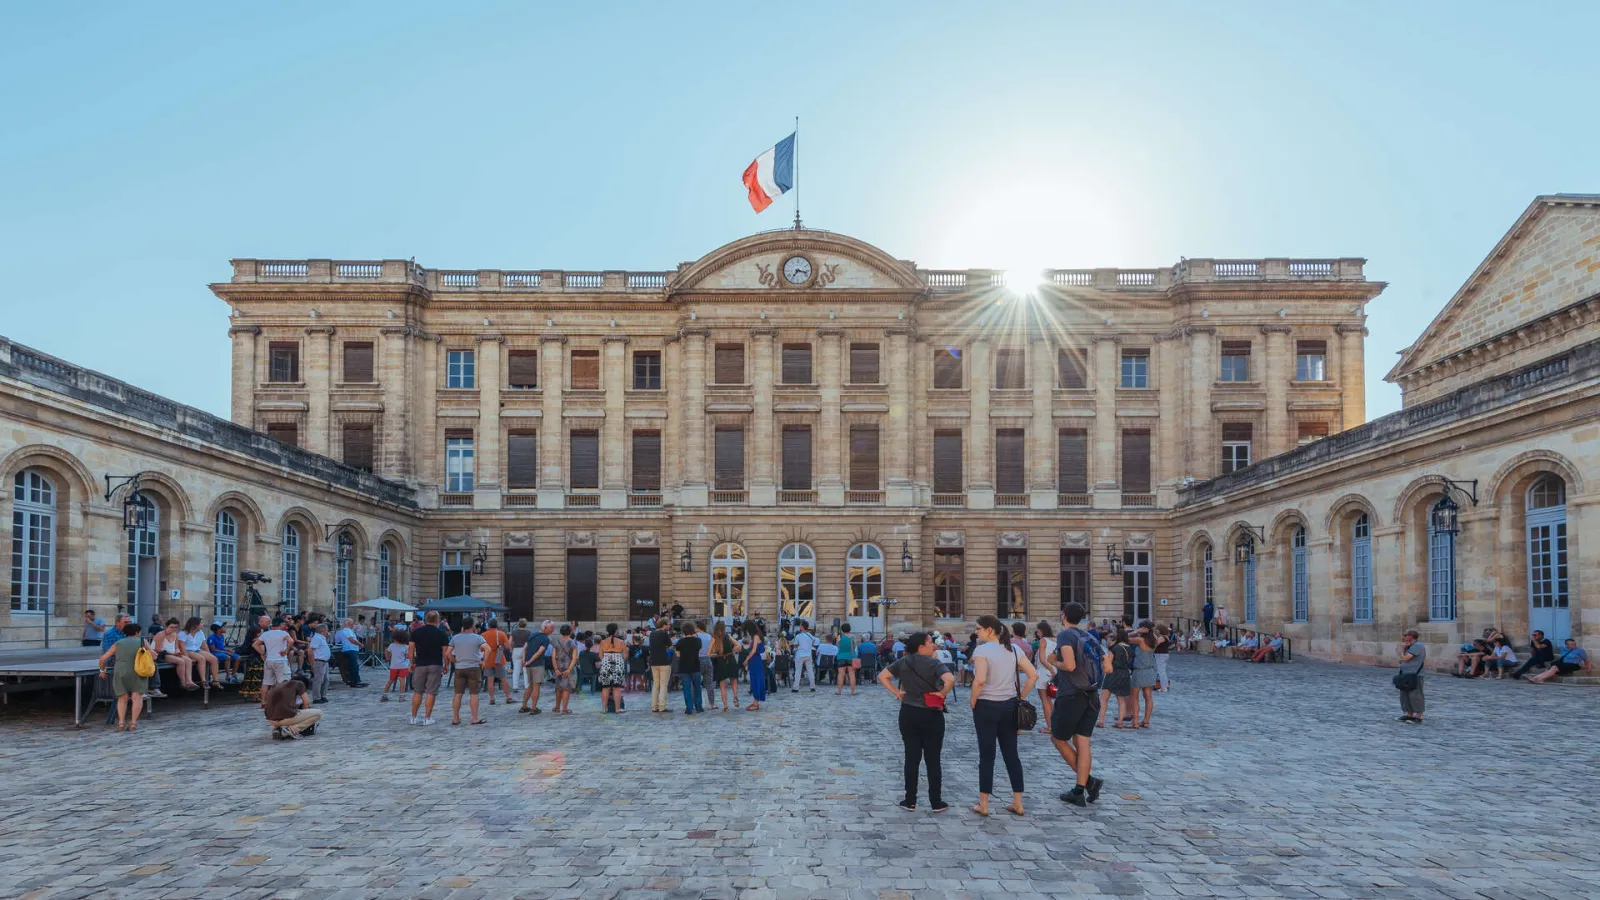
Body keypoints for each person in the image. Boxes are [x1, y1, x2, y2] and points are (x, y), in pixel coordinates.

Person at [968, 614, 1037, 818]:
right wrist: (1021, 697)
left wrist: (973, 699)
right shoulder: (1014, 649)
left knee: (987, 755)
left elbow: (979, 680)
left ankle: (984, 803)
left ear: (990, 630)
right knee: (1011, 754)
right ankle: (1017, 801)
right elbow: (1033, 675)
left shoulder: (982, 650)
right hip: (1010, 706)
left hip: (987, 705)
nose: (976, 631)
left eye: (978, 628)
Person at [878, 631, 954, 813]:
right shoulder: (934, 663)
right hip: (931, 714)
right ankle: (936, 801)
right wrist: (942, 693)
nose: (933, 645)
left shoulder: (904, 662)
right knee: (933, 759)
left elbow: (883, 676)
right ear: (921, 646)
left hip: (909, 712)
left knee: (911, 757)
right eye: (930, 643)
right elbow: (950, 679)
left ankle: (910, 800)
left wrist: (897, 693)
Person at [1052, 602, 1108, 808]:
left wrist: (1053, 661)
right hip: (1092, 695)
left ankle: (1087, 783)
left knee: (1058, 738)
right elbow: (1107, 664)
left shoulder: (1066, 635)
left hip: (1072, 694)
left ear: (1064, 615)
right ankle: (1080, 787)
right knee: (1082, 742)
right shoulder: (1091, 636)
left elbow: (1069, 665)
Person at [98, 621, 147, 732]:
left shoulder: (118, 643)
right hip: (138, 671)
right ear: (137, 632)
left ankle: (121, 723)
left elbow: (103, 659)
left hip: (120, 671)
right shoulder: (142, 641)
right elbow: (153, 655)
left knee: (122, 698)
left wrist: (102, 670)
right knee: (137, 697)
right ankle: (133, 723)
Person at [408, 611, 449, 725]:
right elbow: (445, 652)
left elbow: (411, 649)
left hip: (420, 664)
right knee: (431, 692)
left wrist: (411, 662)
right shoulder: (441, 633)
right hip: (435, 664)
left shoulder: (416, 632)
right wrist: (447, 665)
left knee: (418, 691)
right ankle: (427, 717)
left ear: (426, 619)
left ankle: (413, 717)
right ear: (437, 620)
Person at [446, 618, 488, 726]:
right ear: (472, 626)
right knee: (474, 693)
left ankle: (455, 718)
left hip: (459, 667)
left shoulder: (455, 638)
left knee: (458, 693)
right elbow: (488, 649)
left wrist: (454, 662)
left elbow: (447, 653)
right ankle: (474, 718)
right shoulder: (478, 638)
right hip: (473, 667)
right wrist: (484, 662)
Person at [264, 673, 321, 740]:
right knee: (319, 713)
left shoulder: (277, 685)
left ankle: (277, 729)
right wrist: (304, 714)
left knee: (284, 711)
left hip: (271, 720)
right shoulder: (300, 684)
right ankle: (293, 729)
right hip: (286, 719)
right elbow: (306, 703)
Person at [254, 619, 296, 708]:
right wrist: (286, 650)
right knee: (283, 681)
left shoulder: (265, 634)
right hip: (280, 660)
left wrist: (262, 653)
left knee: (266, 682)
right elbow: (291, 641)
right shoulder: (283, 633)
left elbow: (255, 644)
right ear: (280, 624)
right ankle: (283, 700)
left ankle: (263, 701)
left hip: (269, 660)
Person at [1102, 629, 1134, 728]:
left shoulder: (1114, 648)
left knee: (1104, 699)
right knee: (1121, 700)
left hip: (1113, 673)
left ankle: (1101, 721)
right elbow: (1129, 661)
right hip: (1124, 673)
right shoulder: (1129, 648)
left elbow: (1109, 662)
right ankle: (1120, 721)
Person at [520, 620, 555, 715]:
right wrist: (529, 661)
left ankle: (524, 706)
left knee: (529, 686)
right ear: (545, 628)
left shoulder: (532, 635)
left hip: (528, 664)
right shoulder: (546, 639)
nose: (553, 630)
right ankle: (533, 708)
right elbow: (539, 652)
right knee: (536, 687)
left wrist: (524, 660)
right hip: (537, 664)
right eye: (551, 628)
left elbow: (524, 648)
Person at [1128, 621, 1158, 727]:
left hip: (1139, 670)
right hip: (1150, 670)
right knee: (1148, 696)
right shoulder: (1154, 640)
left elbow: (1123, 639)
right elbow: (1154, 636)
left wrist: (1135, 631)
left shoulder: (1140, 640)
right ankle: (1146, 720)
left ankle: (1135, 721)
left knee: (1134, 696)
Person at [709, 621, 742, 711]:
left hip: (721, 661)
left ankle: (726, 706)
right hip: (731, 659)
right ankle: (735, 696)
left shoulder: (714, 638)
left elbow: (709, 653)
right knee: (733, 681)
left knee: (722, 685)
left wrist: (715, 654)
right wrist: (732, 650)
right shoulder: (728, 636)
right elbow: (738, 645)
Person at [179, 617, 221, 688]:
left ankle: (215, 681)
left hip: (197, 649)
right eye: (201, 623)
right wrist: (186, 657)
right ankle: (203, 681)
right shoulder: (183, 633)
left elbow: (204, 645)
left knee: (214, 659)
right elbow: (182, 647)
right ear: (195, 625)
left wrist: (209, 654)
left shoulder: (200, 633)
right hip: (188, 650)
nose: (202, 625)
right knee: (201, 659)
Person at [597, 623, 628, 714]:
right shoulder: (621, 642)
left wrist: (607, 659)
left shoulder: (603, 642)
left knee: (605, 687)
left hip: (606, 661)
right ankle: (617, 709)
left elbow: (600, 655)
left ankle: (603, 709)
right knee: (616, 687)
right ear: (616, 631)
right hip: (618, 661)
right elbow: (625, 656)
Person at [481, 619, 514, 705]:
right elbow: (507, 646)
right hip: (499, 659)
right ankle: (508, 697)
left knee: (490, 680)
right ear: (497, 625)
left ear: (489, 625)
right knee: (503, 679)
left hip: (488, 659)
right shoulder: (501, 634)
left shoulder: (483, 635)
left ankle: (492, 699)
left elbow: (481, 648)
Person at [1034, 621, 1058, 735]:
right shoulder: (1055, 640)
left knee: (1045, 701)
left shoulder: (1043, 641)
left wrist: (1051, 669)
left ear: (1042, 631)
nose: (1037, 633)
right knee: (1050, 701)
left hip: (1044, 672)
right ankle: (1054, 725)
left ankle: (1050, 727)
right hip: (1053, 671)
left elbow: (1042, 659)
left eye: (1038, 631)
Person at [1397, 630, 1426, 724]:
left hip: (1414, 674)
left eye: (1405, 635)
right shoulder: (1410, 646)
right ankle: (1409, 714)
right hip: (1405, 674)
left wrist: (1402, 650)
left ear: (1411, 636)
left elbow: (1404, 658)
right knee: (1405, 695)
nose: (1404, 637)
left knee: (1416, 695)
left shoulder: (1418, 646)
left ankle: (1419, 715)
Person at [675, 622, 704, 714]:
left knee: (686, 689)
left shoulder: (681, 641)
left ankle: (689, 708)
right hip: (695, 666)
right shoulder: (698, 640)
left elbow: (677, 651)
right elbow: (699, 648)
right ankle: (699, 706)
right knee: (697, 688)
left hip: (684, 667)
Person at [550, 624, 578, 714]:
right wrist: (569, 669)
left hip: (558, 666)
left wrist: (556, 669)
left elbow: (553, 657)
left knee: (558, 687)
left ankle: (557, 707)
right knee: (566, 688)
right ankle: (564, 708)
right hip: (567, 666)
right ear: (570, 632)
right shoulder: (572, 642)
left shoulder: (556, 641)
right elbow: (574, 658)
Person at [333, 618, 367, 688]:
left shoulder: (344, 631)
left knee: (353, 666)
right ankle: (355, 682)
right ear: (349, 624)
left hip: (349, 649)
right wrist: (360, 644)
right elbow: (351, 640)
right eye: (352, 623)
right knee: (354, 666)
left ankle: (356, 680)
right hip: (350, 649)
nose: (353, 625)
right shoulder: (347, 631)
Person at [742, 621, 767, 711]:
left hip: (755, 660)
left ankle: (756, 703)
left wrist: (746, 660)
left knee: (756, 680)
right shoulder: (757, 636)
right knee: (754, 680)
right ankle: (755, 701)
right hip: (755, 660)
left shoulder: (756, 636)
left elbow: (753, 650)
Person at [381, 630, 411, 701]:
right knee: (402, 681)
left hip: (393, 666)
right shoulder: (406, 647)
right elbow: (407, 656)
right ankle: (401, 697)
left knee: (390, 680)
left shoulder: (392, 645)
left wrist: (388, 658)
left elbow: (387, 651)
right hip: (403, 666)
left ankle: (384, 695)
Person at [307, 624, 332, 703]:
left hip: (325, 662)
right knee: (318, 680)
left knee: (326, 679)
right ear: (322, 630)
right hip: (319, 661)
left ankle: (323, 695)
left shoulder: (322, 638)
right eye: (326, 630)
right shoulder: (317, 638)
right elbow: (310, 651)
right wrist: (312, 663)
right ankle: (316, 697)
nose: (327, 631)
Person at [792, 620, 818, 692]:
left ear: (802, 627)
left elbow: (795, 645)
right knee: (810, 671)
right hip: (808, 654)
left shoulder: (798, 636)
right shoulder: (810, 635)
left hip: (800, 654)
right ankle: (812, 687)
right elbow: (813, 641)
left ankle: (795, 688)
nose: (800, 627)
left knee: (798, 671)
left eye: (800, 625)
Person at [510, 619, 532, 693]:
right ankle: (526, 686)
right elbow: (530, 642)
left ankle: (515, 687)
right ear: (525, 624)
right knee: (525, 669)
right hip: (524, 650)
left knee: (516, 669)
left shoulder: (514, 632)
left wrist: (511, 650)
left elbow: (509, 642)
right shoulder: (528, 632)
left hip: (516, 650)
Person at [835, 623, 858, 695]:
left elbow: (837, 645)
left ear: (842, 629)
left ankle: (839, 691)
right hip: (851, 657)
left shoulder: (839, 636)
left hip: (841, 656)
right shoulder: (852, 637)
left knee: (841, 674)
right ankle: (852, 691)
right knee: (852, 674)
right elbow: (854, 646)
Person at [1153, 624, 1173, 692]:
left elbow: (1156, 643)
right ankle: (1165, 685)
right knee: (1162, 670)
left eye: (1158, 629)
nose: (1157, 631)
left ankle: (1163, 687)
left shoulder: (1162, 637)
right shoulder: (1165, 637)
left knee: (1161, 671)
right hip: (1163, 654)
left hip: (1160, 654)